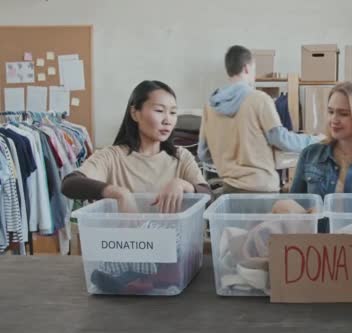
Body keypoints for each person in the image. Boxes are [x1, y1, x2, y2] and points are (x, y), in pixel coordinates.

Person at [62, 80, 209, 213]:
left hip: (170, 240)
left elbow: (209, 196)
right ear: (134, 113)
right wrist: (119, 193)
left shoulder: (181, 157)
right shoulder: (111, 156)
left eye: (173, 112)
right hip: (124, 242)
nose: (168, 120)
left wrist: (182, 185)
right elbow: (70, 184)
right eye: (159, 111)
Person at [198, 45, 320, 194]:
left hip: (229, 190)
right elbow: (282, 140)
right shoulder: (259, 99)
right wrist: (316, 140)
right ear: (247, 68)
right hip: (262, 189)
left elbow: (203, 154)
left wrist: (229, 163)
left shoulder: (210, 106)